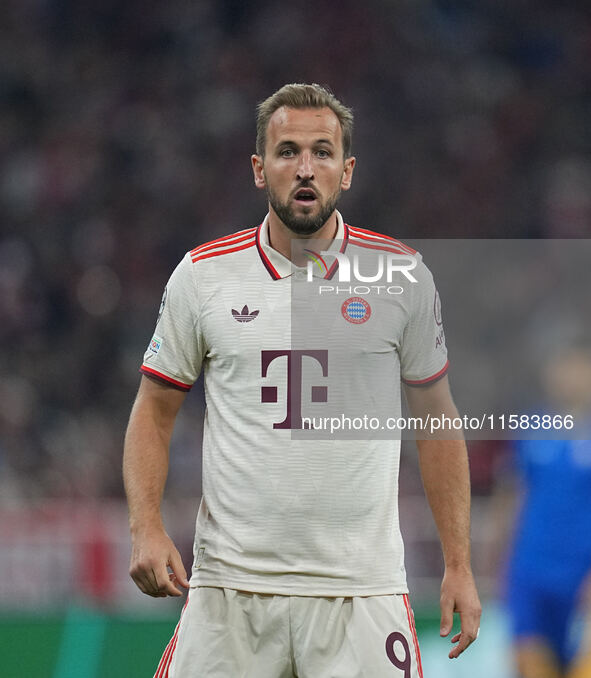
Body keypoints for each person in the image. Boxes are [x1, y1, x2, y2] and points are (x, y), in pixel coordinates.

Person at [123, 83, 481, 678]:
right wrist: (146, 527)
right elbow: (154, 409)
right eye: (288, 151)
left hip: (360, 592)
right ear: (260, 169)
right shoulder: (204, 275)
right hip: (230, 590)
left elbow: (436, 420)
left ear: (347, 170)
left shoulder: (403, 278)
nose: (306, 167)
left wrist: (460, 564)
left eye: (323, 151)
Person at [500, 348, 591, 678]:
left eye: (576, 367)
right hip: (531, 571)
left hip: (581, 575)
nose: (567, 376)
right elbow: (511, 494)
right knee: (532, 665)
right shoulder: (531, 426)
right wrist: (496, 558)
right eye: (560, 367)